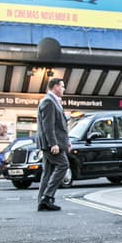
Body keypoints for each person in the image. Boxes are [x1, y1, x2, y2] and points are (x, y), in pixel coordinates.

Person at [36, 78, 70, 211]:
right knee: (64, 165)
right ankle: (47, 196)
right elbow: (48, 126)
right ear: (55, 87)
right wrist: (53, 144)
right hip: (51, 144)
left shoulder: (54, 102)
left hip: (56, 143)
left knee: (48, 172)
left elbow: (60, 126)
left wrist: (67, 142)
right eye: (62, 86)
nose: (63, 89)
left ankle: (42, 202)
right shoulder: (48, 102)